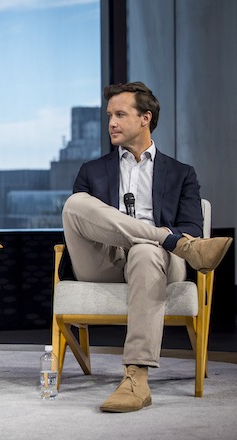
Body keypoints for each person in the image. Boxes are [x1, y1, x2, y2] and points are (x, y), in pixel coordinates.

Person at [62, 82, 232, 413]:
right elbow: (88, 222)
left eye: (120, 114)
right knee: (75, 204)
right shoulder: (92, 171)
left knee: (146, 251)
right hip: (104, 260)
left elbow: (193, 229)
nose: (111, 122)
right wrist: (165, 236)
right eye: (109, 115)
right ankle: (162, 239)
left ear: (145, 118)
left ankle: (136, 378)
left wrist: (157, 242)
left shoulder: (181, 173)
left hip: (160, 262)